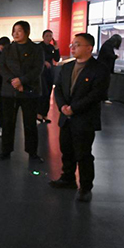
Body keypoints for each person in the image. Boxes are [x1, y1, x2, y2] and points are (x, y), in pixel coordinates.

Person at [49, 33, 110, 202]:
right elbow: (58, 88)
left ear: (89, 48)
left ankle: (85, 187)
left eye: (77, 44)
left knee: (83, 154)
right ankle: (67, 178)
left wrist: (74, 108)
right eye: (72, 44)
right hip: (66, 117)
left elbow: (97, 94)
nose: (73, 47)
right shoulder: (67, 67)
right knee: (66, 149)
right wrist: (62, 106)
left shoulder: (99, 69)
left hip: (84, 119)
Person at [0, 20, 45, 161]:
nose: (16, 33)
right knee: (8, 122)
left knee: (30, 123)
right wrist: (14, 81)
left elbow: (38, 69)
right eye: (14, 30)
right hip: (9, 90)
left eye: (19, 30)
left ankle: (32, 152)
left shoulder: (36, 49)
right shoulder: (7, 49)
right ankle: (6, 150)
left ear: (27, 32)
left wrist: (22, 81)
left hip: (29, 90)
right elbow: (2, 67)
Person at [37, 29, 60, 123]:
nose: (49, 38)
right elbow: (36, 59)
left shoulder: (51, 47)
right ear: (43, 37)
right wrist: (44, 62)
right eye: (47, 36)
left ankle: (45, 114)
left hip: (49, 72)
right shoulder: (39, 47)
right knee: (43, 92)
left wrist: (56, 48)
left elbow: (57, 59)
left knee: (49, 92)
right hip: (41, 73)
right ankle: (38, 113)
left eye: (50, 36)